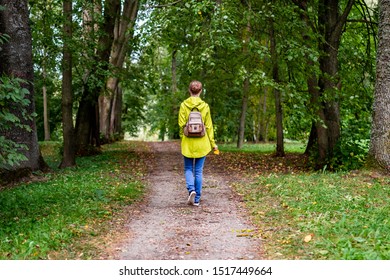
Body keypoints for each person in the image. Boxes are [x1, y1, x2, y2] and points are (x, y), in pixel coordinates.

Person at [178, 80, 218, 206]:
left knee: (188, 168)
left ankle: (191, 190)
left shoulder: (184, 105)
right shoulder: (205, 106)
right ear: (200, 91)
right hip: (202, 143)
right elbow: (209, 126)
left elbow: (181, 124)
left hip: (188, 143)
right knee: (199, 171)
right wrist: (213, 143)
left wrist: (182, 137)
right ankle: (196, 199)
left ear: (189, 90)